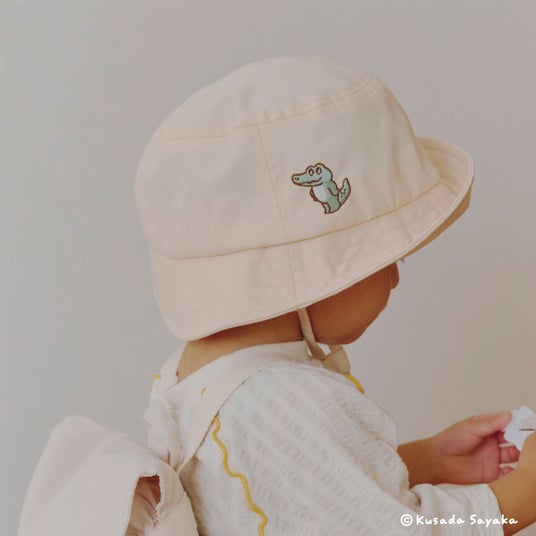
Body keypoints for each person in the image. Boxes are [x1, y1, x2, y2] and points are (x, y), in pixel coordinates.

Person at [133, 56, 536, 535]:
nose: (395, 279)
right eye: (388, 260)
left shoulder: (199, 378)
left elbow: (299, 498)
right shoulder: (291, 402)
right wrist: (524, 492)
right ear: (313, 276)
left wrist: (429, 460)